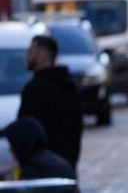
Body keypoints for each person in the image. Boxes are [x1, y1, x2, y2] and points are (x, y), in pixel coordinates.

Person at [19, 33, 83, 170]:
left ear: (41, 57)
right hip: (68, 164)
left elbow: (25, 132)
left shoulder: (35, 89)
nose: (26, 57)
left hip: (42, 168)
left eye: (30, 52)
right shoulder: (70, 85)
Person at [1, 116, 79, 193]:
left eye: (12, 144)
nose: (10, 149)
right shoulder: (58, 161)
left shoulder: (33, 169)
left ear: (20, 144)